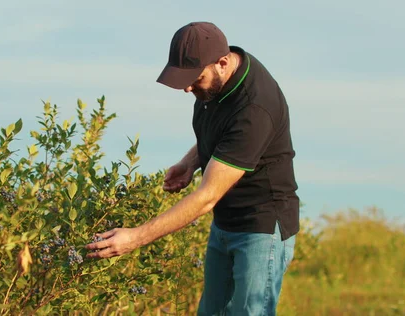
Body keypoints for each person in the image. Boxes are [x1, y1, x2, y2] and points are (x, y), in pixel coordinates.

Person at [85, 21, 299, 316]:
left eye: (194, 79)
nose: (187, 88)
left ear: (222, 63)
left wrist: (135, 238)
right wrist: (190, 163)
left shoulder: (254, 108)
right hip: (225, 223)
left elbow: (206, 197)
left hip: (261, 228)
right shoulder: (214, 85)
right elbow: (223, 137)